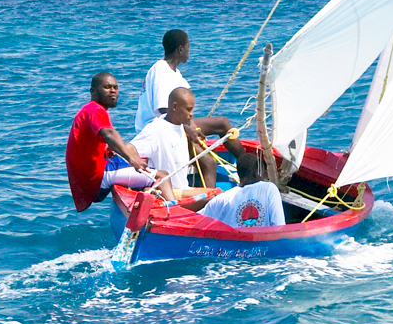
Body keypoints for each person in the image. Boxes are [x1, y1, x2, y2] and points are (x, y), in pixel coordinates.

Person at [136, 87, 286, 229]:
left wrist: (189, 129)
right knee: (217, 197)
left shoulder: (179, 125)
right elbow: (130, 153)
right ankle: (214, 226)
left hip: (183, 189)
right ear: (175, 107)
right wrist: (149, 178)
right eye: (188, 109)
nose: (192, 114)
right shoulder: (154, 131)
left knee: (217, 193)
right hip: (170, 192)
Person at [65, 72, 162, 212]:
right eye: (107, 87)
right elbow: (109, 134)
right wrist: (132, 160)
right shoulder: (95, 110)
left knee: (133, 151)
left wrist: (107, 150)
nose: (113, 91)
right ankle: (171, 212)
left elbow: (91, 143)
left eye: (115, 87)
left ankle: (145, 197)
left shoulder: (89, 110)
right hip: (96, 179)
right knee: (161, 176)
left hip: (90, 176)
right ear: (93, 92)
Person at [135, 28, 234, 139]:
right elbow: (163, 109)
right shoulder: (160, 69)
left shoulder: (176, 74)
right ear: (180, 49)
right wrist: (188, 127)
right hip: (156, 127)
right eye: (188, 47)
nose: (189, 52)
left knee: (198, 139)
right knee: (222, 123)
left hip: (171, 123)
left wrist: (188, 124)